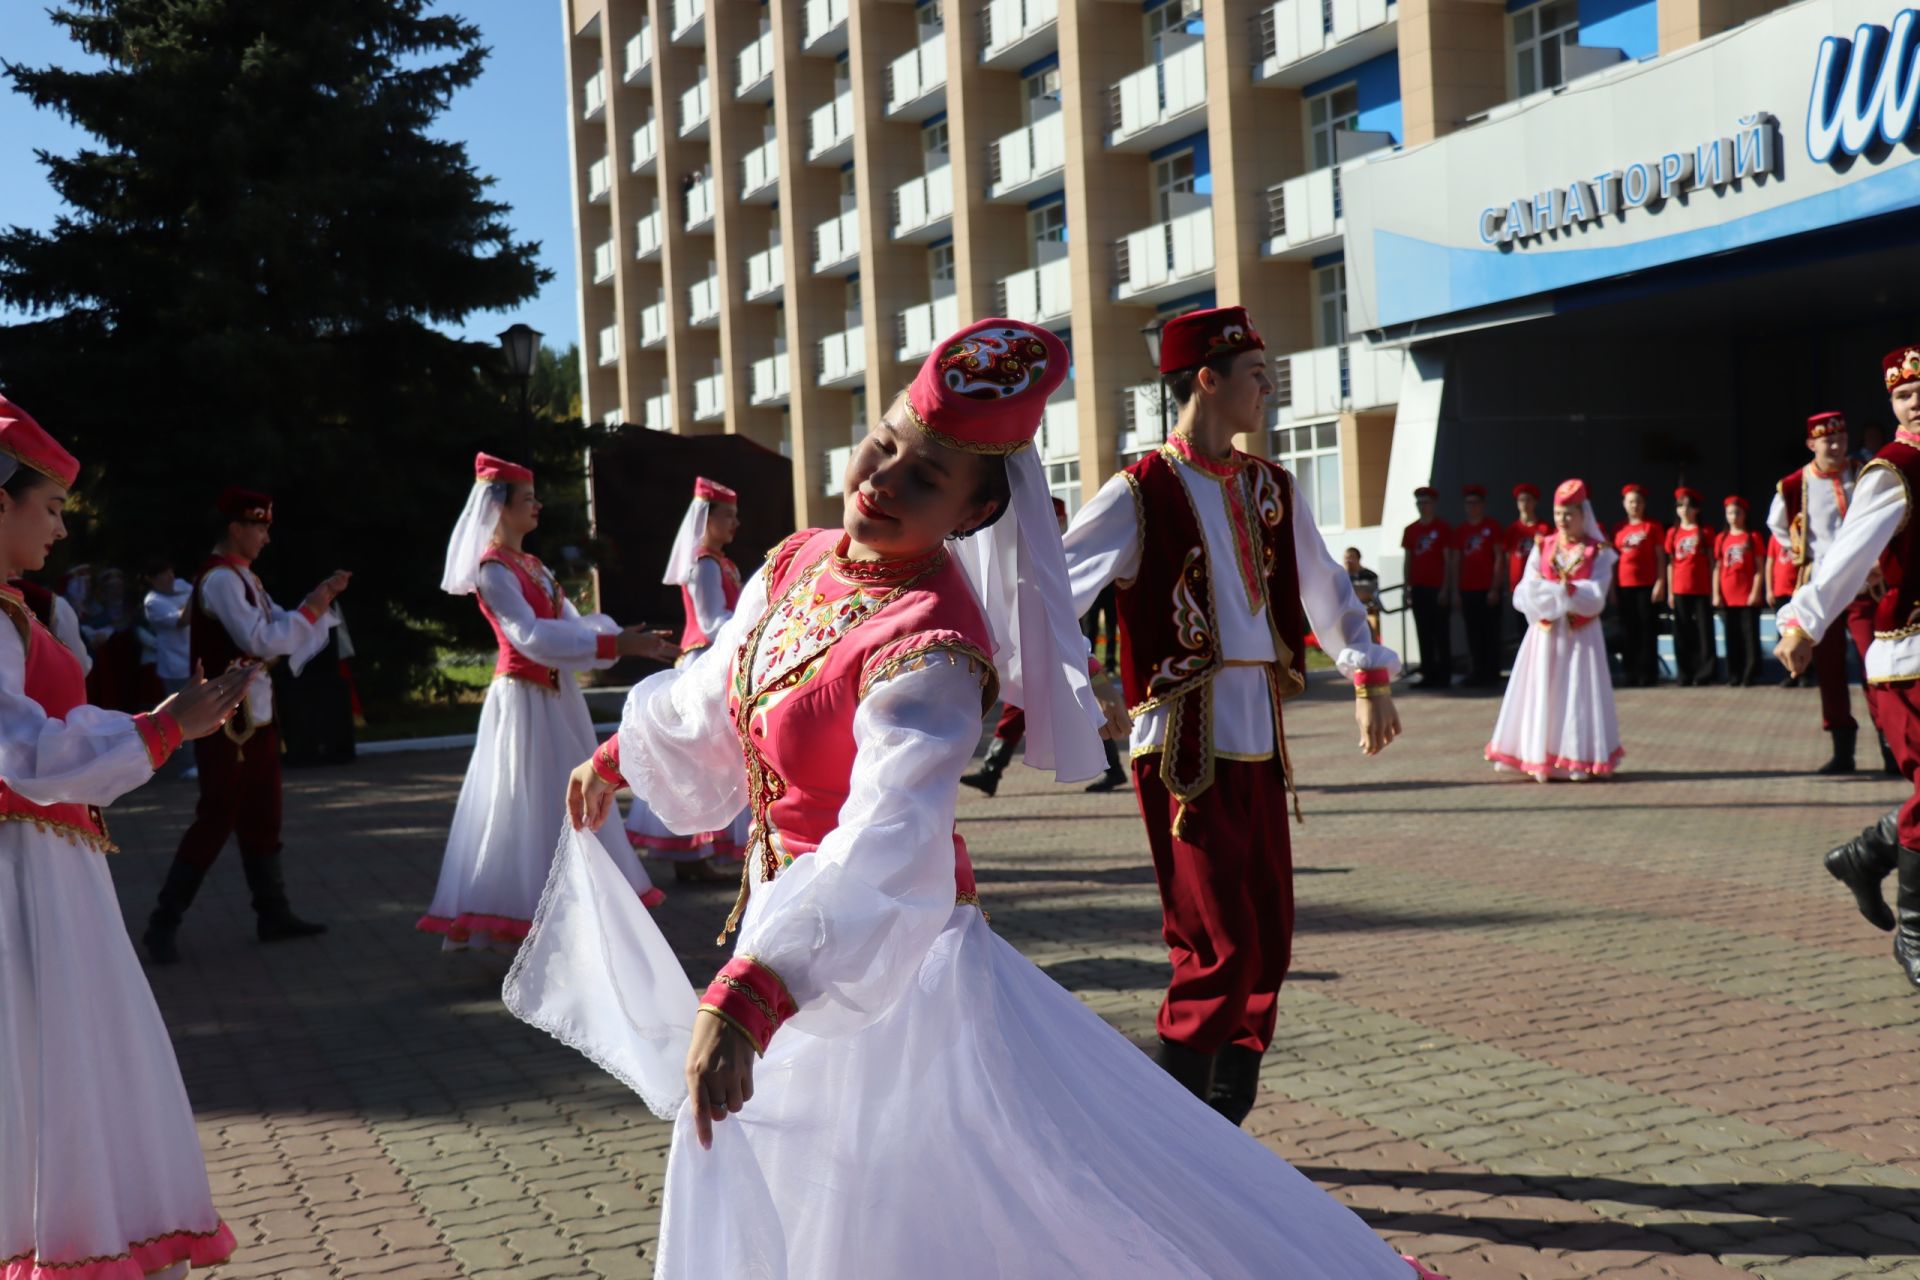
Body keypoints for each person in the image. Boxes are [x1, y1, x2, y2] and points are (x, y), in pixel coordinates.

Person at [503, 317, 1445, 1280]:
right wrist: (624, 754)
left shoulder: (933, 645)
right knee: (805, 1179)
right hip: (796, 943)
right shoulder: (799, 559)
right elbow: (721, 687)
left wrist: (756, 988)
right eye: (883, 445)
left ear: (971, 513)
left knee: (903, 1194)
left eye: (924, 478)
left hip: (891, 959)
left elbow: (889, 832)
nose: (881, 480)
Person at [1060, 306, 1401, 1122]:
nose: (1268, 387)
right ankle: (1182, 1136)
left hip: (1259, 735)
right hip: (1184, 738)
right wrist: (1088, 680)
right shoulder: (1138, 490)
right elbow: (1048, 591)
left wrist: (1369, 677)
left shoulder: (1270, 487)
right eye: (1256, 372)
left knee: (1267, 941)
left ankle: (1224, 1126)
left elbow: (1326, 586)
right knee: (1217, 942)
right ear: (1205, 379)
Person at [0, 395, 255, 1280]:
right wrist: (158, 728)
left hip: (52, 865)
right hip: (22, 873)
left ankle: (84, 1232)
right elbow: (21, 747)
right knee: (47, 1059)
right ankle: (65, 1240)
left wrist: (155, 725)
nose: (64, 531)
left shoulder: (19, 610)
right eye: (54, 508)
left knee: (71, 1060)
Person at [420, 453, 674, 951]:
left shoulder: (533, 565)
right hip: (523, 703)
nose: (537, 506)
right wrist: (612, 643)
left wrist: (618, 638)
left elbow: (573, 624)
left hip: (557, 701)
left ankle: (572, 910)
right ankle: (523, 914)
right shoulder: (493, 570)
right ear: (499, 506)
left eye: (536, 497)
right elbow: (530, 636)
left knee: (564, 798)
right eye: (527, 498)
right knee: (524, 800)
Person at [141, 487, 350, 965]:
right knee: (217, 816)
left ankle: (272, 913)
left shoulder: (243, 577)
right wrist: (315, 604)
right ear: (236, 528)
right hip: (223, 720)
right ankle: (162, 922)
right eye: (260, 527)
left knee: (263, 813)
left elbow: (279, 626)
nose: (266, 537)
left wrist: (315, 605)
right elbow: (260, 639)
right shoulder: (219, 581)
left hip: (252, 716)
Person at [1778, 344, 1920, 991]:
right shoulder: (1893, 471)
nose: (1914, 400)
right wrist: (1803, 622)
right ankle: (1914, 937)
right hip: (1908, 657)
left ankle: (1866, 856)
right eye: (1902, 393)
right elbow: (1841, 556)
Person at [626, 476, 751, 880]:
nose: (735, 524)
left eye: (735, 516)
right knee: (701, 752)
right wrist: (756, 623)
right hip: (702, 660)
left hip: (714, 657)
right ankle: (690, 855)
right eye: (727, 516)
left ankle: (696, 855)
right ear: (706, 518)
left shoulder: (719, 561)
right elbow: (712, 620)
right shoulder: (704, 563)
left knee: (710, 754)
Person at [961, 496, 1128, 796]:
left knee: (1078, 704)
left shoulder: (1051, 553)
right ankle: (991, 768)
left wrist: (1093, 671)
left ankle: (992, 768)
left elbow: (1057, 618)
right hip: (1043, 650)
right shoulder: (1017, 554)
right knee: (1031, 705)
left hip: (1057, 649)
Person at [1769, 411, 1891, 774]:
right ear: (1811, 444)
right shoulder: (1793, 485)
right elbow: (1776, 524)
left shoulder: (1866, 475)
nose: (1836, 445)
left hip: (1865, 589)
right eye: (1827, 440)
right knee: (1831, 669)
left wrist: (1879, 559)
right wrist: (1797, 550)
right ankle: (1842, 749)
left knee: (1877, 665)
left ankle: (1890, 746)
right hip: (1820, 592)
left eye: (1840, 438)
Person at [1486, 479, 1621, 782]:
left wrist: (1567, 592)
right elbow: (1525, 588)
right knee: (1542, 692)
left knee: (1576, 692)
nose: (1562, 520)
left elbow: (1596, 595)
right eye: (1559, 513)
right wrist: (1553, 596)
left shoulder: (1596, 551)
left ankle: (1576, 758)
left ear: (1583, 514)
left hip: (1580, 637)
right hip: (1545, 635)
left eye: (1569, 514)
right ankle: (1538, 755)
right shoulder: (1543, 544)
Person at [1611, 484, 1665, 687]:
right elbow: (1613, 560)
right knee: (1628, 631)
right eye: (1631, 501)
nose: (1635, 505)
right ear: (1624, 504)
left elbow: (1660, 557)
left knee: (1647, 630)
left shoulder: (1652, 526)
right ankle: (1630, 673)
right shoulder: (1618, 528)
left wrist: (1660, 582)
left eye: (1639, 501)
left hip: (1647, 585)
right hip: (1624, 587)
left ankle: (1648, 674)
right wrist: (1612, 589)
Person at [1665, 488, 1717, 686]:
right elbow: (1670, 563)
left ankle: (1705, 672)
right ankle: (1684, 673)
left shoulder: (1705, 532)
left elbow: (1713, 563)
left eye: (1688, 506)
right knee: (1681, 632)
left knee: (1704, 632)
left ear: (1696, 510)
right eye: (1680, 506)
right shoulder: (1673, 532)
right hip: (1680, 588)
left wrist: (1714, 589)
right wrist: (1670, 591)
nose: (1684, 510)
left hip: (1702, 589)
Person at [1452, 484, 1503, 687]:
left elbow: (1499, 558)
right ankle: (1477, 672)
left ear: (1482, 505)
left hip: (1487, 589)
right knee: (1473, 634)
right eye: (1468, 503)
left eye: (1475, 503)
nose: (1472, 507)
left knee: (1491, 632)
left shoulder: (1492, 527)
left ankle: (1492, 673)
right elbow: (1455, 561)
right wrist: (1455, 591)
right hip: (1468, 590)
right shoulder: (1461, 530)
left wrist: (1495, 587)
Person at [1402, 485, 1451, 687]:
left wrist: (1446, 588)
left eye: (1426, 502)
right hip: (1419, 588)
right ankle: (1428, 674)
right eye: (1419, 503)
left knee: (1441, 633)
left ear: (1433, 504)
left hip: (1438, 588)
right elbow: (1408, 560)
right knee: (1423, 633)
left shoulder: (1442, 528)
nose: (1423, 506)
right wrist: (1407, 587)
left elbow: (1448, 560)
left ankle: (1444, 675)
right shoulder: (1411, 530)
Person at [1715, 497, 1765, 687]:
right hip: (1728, 595)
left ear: (1744, 515)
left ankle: (1749, 674)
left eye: (1737, 512)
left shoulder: (1752, 537)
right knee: (1731, 637)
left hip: (1746, 595)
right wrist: (1716, 593)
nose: (1733, 517)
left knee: (1749, 637)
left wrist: (1755, 591)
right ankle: (1733, 674)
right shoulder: (1721, 538)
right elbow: (1718, 567)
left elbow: (1759, 568)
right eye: (1730, 513)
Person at [1766, 530, 1805, 686]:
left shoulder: (1802, 533)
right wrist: (1769, 590)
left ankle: (1804, 673)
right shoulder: (1775, 536)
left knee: (1803, 633)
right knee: (1783, 634)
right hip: (1781, 591)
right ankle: (1789, 674)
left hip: (1799, 591)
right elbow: (1770, 563)